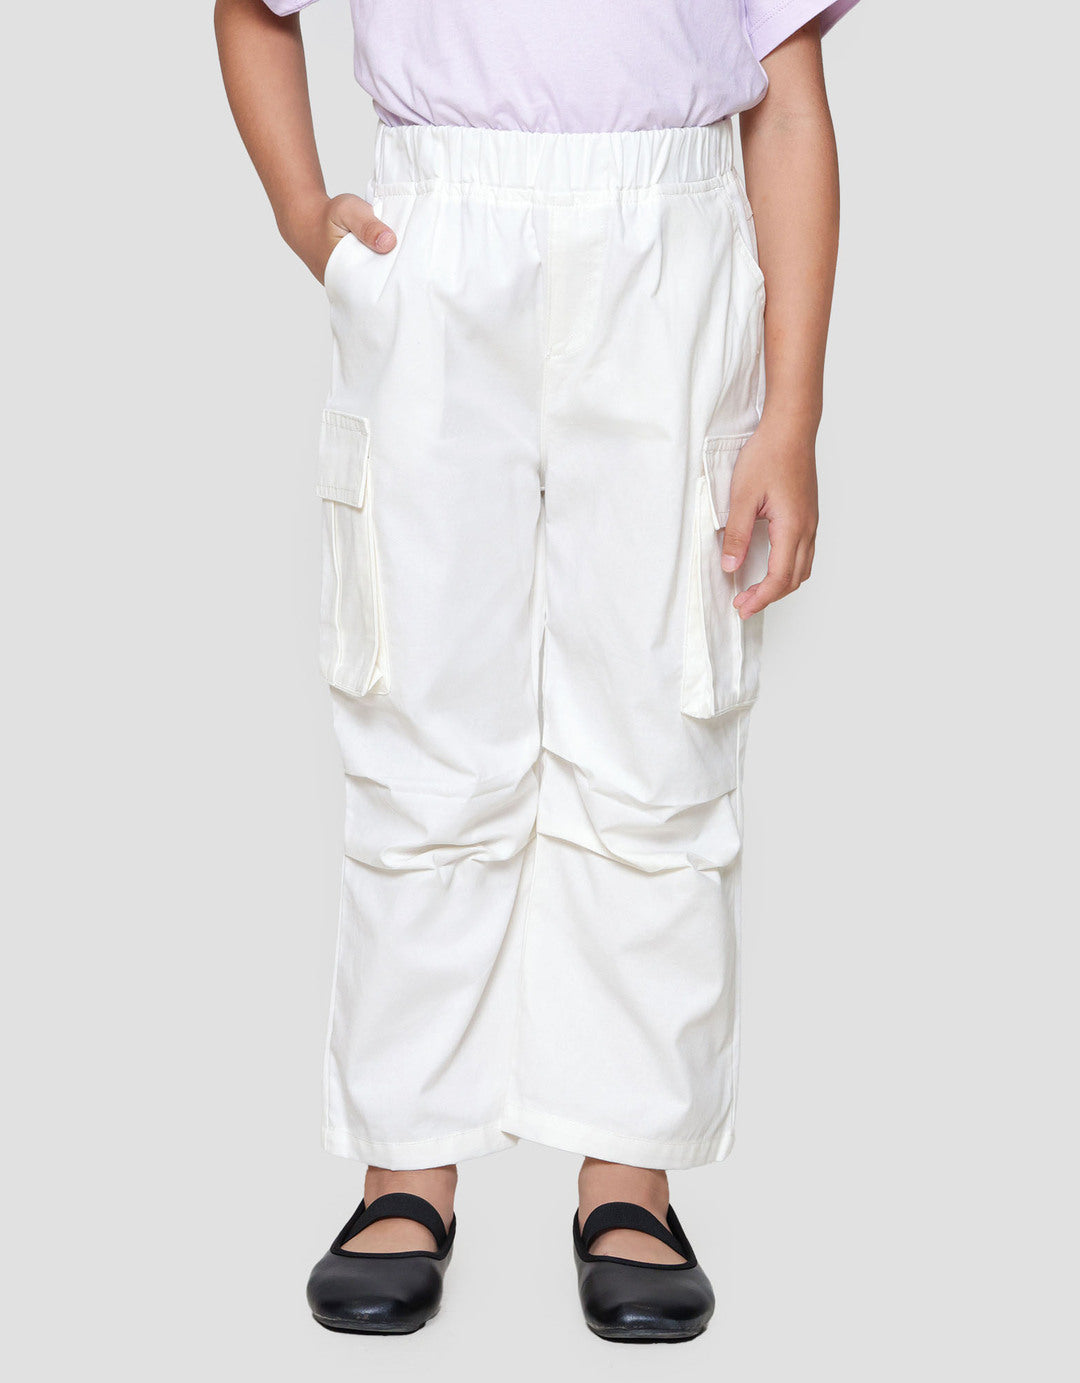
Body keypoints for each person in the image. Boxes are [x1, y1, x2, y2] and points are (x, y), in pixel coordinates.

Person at [216, 0, 856, 1343]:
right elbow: (252, 10)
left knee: (660, 709)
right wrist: (301, 214)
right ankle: (409, 1159)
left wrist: (791, 413)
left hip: (669, 247)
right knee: (421, 695)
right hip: (440, 239)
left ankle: (630, 1168)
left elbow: (788, 100)